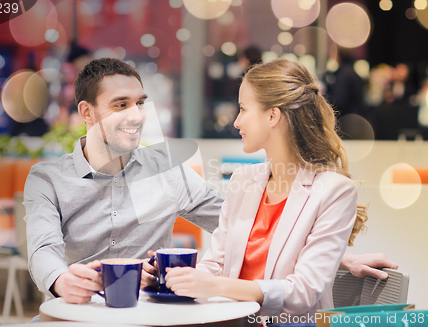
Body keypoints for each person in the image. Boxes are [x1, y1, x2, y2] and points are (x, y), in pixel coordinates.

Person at [25, 58, 397, 308]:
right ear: (86, 112)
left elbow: (250, 229)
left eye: (141, 103)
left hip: (150, 315)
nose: (137, 115)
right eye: (121, 104)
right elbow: (43, 250)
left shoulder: (167, 171)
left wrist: (336, 256)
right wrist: (59, 280)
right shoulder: (47, 179)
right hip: (79, 312)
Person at [164, 59, 387, 317]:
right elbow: (216, 263)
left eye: (243, 109)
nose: (236, 122)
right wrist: (175, 279)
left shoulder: (335, 190)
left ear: (272, 115)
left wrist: (214, 286)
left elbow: (303, 292)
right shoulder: (243, 181)